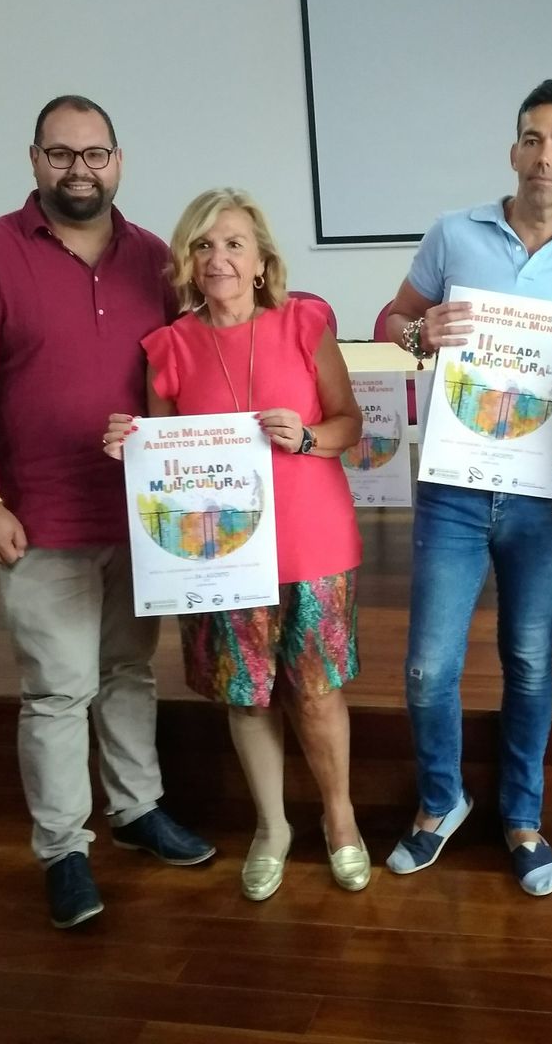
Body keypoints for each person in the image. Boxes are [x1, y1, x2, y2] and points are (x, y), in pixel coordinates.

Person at [0, 95, 215, 931]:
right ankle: (62, 848)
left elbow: (187, 377)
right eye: (61, 154)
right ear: (34, 160)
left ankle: (137, 810)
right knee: (57, 689)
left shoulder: (157, 259)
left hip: (139, 517)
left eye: (94, 154)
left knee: (129, 671)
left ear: (119, 161)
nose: (78, 169)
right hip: (37, 515)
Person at [380, 79, 552, 896]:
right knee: (426, 666)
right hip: (451, 481)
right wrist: (421, 331)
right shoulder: (455, 235)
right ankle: (440, 800)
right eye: (531, 138)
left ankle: (523, 815)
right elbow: (391, 323)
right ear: (512, 150)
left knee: (528, 658)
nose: (543, 155)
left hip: (543, 486)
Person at [105, 188, 368, 901]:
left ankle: (340, 822)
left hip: (313, 541)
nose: (217, 258)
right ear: (187, 261)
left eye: (233, 244)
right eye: (203, 245)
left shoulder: (304, 322)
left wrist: (310, 438)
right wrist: (127, 447)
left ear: (261, 262)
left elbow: (350, 423)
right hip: (219, 555)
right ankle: (272, 826)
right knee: (246, 696)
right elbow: (160, 464)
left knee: (315, 694)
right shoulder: (168, 347)